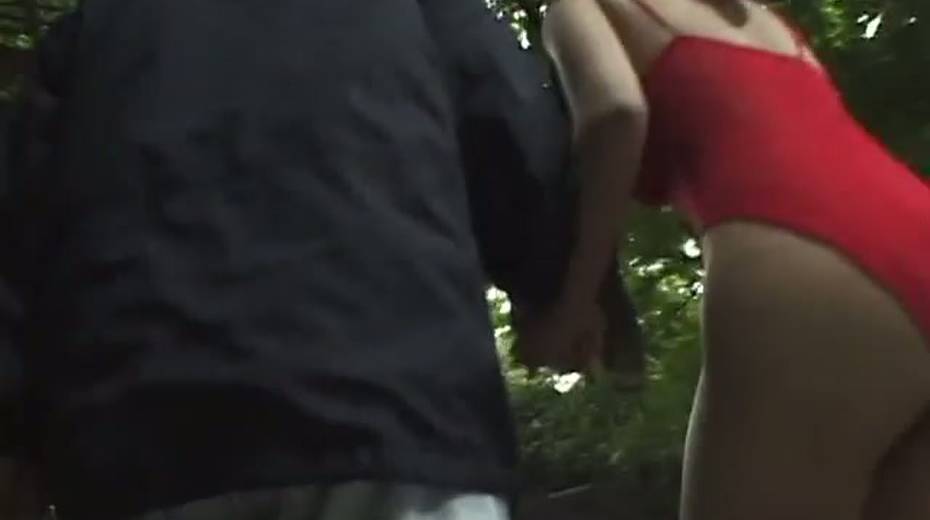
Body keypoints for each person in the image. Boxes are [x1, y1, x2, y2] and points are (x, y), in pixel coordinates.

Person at [0, 0, 637, 518]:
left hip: (146, 443)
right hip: (403, 424)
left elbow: (19, 240)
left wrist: (16, 443)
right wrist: (562, 300)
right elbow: (517, 138)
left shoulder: (93, 30)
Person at [532, 0, 930, 518]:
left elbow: (616, 112)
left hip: (807, 244)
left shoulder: (583, 5)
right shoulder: (773, 26)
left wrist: (576, 301)